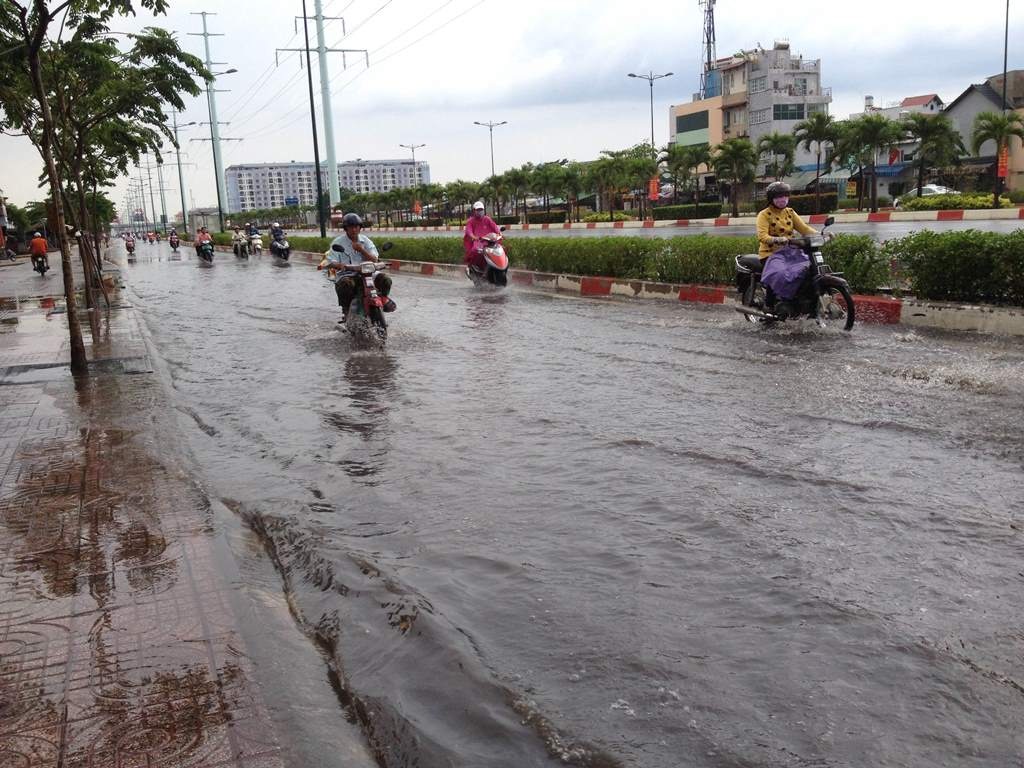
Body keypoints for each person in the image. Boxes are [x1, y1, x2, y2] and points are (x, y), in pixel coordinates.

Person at [323, 212, 394, 323]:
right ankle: (346, 310)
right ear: (346, 228)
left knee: (386, 279)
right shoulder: (338, 242)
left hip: (368, 274)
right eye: (351, 227)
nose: (354, 230)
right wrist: (341, 265)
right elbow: (330, 261)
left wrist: (361, 250)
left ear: (360, 228)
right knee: (345, 284)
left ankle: (383, 298)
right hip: (349, 274)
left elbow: (374, 258)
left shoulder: (365, 241)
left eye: (356, 226)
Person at [755, 182, 818, 261]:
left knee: (807, 265)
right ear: (771, 198)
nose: (783, 199)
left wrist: (819, 235)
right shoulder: (764, 215)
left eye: (786, 196)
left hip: (790, 252)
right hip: (771, 255)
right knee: (782, 272)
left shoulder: (790, 212)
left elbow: (805, 229)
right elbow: (762, 237)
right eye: (779, 196)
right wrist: (778, 239)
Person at [463, 200, 501, 271]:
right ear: (474, 211)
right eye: (478, 210)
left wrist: (499, 233)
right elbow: (468, 230)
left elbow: (494, 226)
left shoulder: (487, 219)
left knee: (500, 249)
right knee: (475, 250)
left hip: (489, 241)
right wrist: (473, 236)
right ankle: (473, 267)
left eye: (481, 210)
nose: (480, 211)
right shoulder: (471, 221)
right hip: (478, 241)